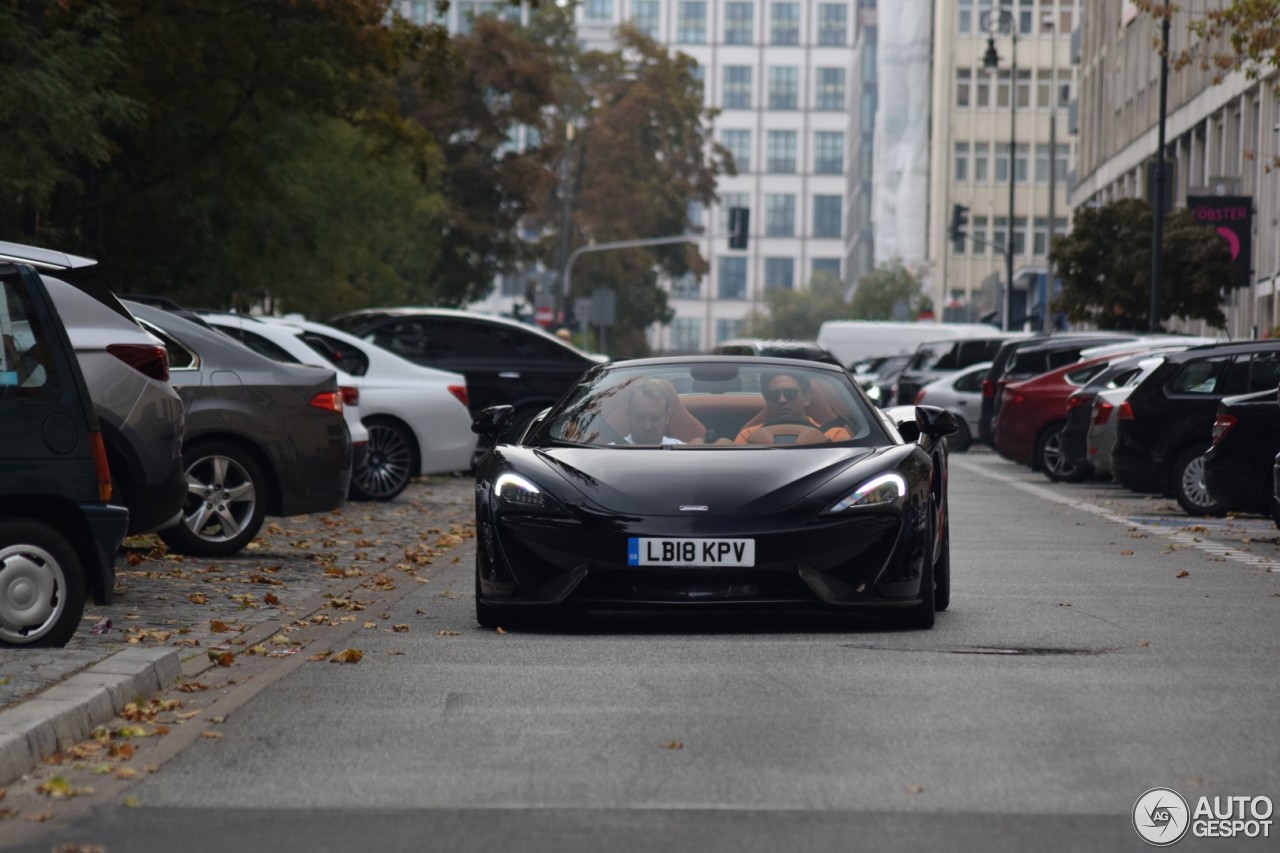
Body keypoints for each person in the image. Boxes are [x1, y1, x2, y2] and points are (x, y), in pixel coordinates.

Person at [735, 372, 851, 443]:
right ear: (767, 400)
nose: (782, 400)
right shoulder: (747, 436)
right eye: (774, 395)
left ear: (806, 398)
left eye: (790, 394)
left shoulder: (835, 435)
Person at [619, 379, 685, 445]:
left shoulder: (683, 452)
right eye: (640, 418)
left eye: (655, 418)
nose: (647, 427)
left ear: (668, 416)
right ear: (628, 416)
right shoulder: (610, 452)